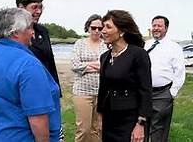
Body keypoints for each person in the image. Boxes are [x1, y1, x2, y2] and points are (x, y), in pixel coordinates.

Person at [0, 8, 61, 142]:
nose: (33, 32)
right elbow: (38, 119)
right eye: (29, 28)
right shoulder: (28, 65)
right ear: (15, 33)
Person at [16, 0, 65, 141]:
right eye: (34, 7)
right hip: (32, 92)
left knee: (56, 132)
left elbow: (50, 62)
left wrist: (57, 89)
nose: (38, 11)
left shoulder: (43, 31)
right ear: (21, 7)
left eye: (40, 7)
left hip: (50, 91)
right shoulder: (17, 34)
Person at [97, 10, 152, 142]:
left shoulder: (138, 54)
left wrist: (140, 124)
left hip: (131, 118)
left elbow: (145, 91)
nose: (103, 31)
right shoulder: (104, 57)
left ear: (121, 31)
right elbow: (103, 89)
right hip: (110, 116)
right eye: (103, 27)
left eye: (108, 27)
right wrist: (100, 116)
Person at [144, 15, 185, 142]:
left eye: (159, 26)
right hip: (145, 92)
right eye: (154, 25)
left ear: (166, 28)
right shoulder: (146, 45)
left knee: (159, 130)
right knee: (142, 126)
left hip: (163, 93)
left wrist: (171, 93)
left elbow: (180, 72)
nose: (156, 28)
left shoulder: (174, 47)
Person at [71, 14, 107, 142]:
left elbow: (108, 65)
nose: (97, 30)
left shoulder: (106, 45)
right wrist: (97, 65)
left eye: (99, 28)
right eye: (93, 27)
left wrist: (85, 65)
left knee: (97, 129)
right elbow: (75, 65)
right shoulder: (80, 44)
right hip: (82, 92)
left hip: (102, 92)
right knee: (84, 129)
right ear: (88, 27)